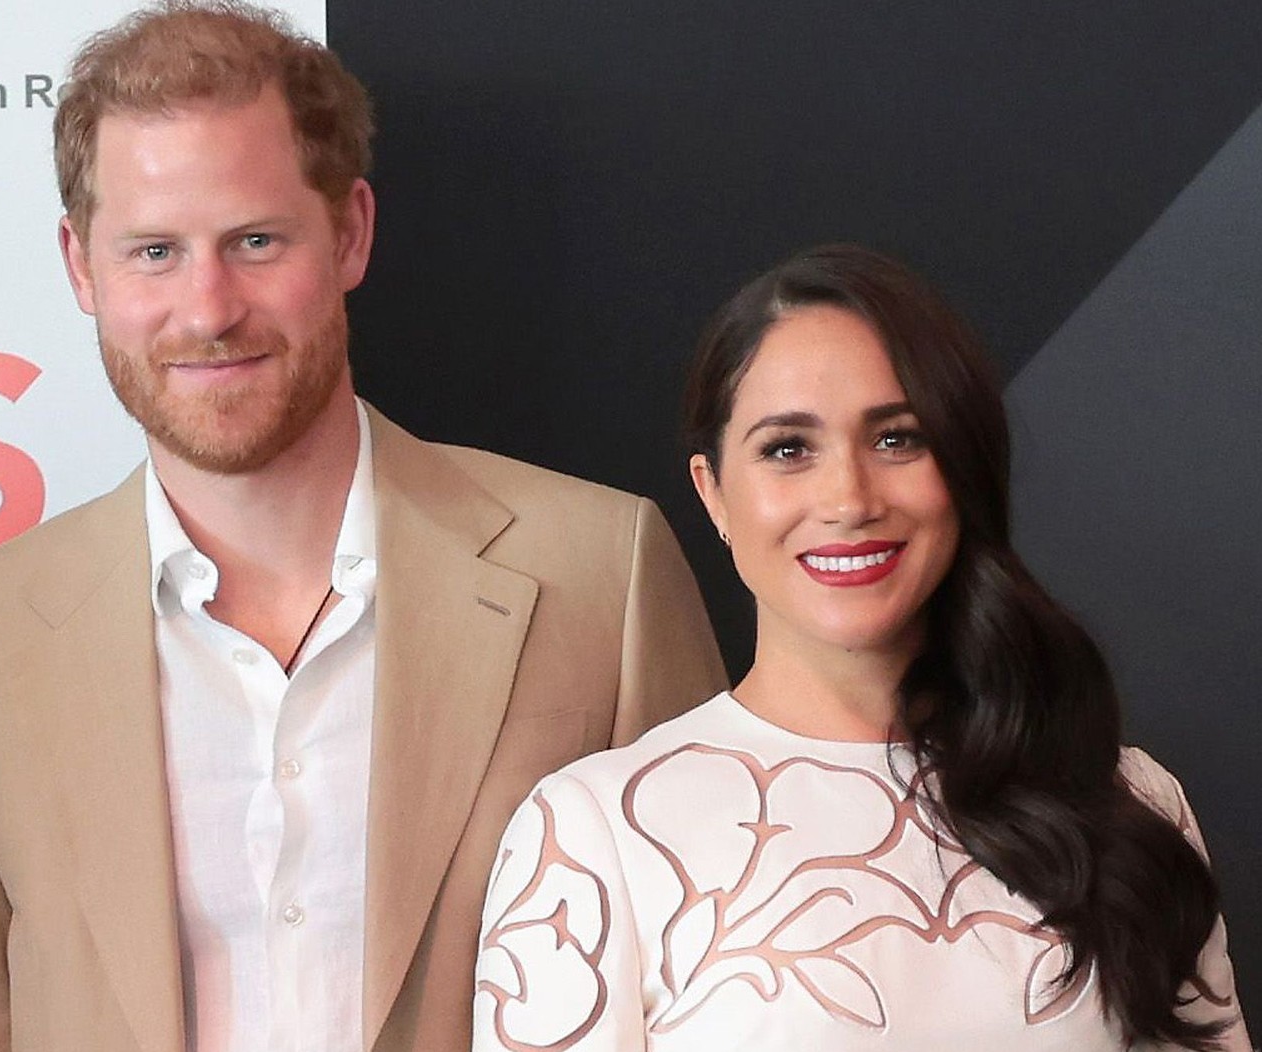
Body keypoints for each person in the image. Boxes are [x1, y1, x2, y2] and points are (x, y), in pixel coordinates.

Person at [0, 3, 728, 1051]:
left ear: (350, 233)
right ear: (81, 266)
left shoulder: (602, 575)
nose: (208, 308)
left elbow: (712, 999)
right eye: (154, 250)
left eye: (255, 241)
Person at [473, 244, 1249, 1051]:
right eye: (788, 449)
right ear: (714, 493)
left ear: (963, 469)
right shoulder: (592, 834)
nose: (849, 498)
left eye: (897, 439)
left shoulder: (1131, 801)